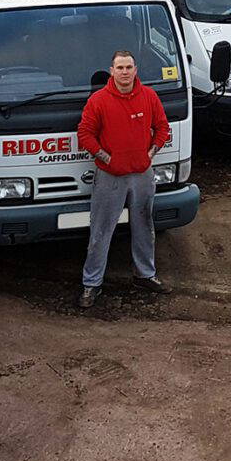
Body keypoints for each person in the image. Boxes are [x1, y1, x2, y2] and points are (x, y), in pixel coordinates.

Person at [76, 50, 172, 308]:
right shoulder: (99, 101)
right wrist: (105, 157)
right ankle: (91, 284)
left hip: (142, 175)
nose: (125, 72)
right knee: (100, 231)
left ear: (136, 69)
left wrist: (152, 151)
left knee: (145, 227)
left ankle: (145, 275)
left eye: (129, 67)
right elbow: (84, 133)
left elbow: (163, 127)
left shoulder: (149, 96)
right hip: (110, 178)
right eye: (120, 67)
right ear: (112, 71)